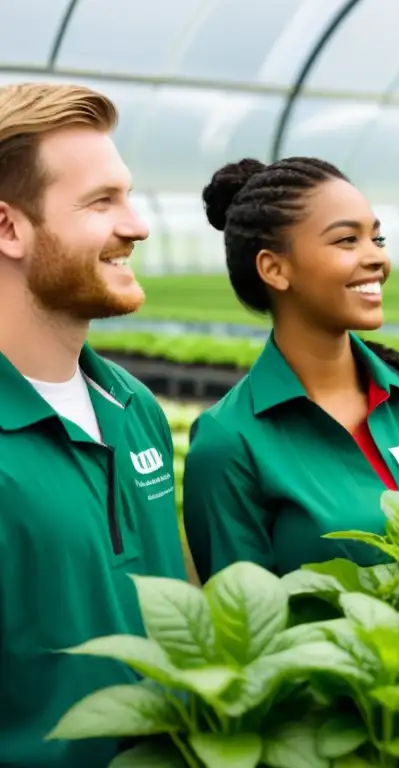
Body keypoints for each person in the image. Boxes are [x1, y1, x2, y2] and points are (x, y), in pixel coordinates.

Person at [0, 83, 186, 768]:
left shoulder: (133, 409)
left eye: (128, 196)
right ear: (8, 228)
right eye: (101, 202)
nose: (136, 225)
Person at [182, 157, 399, 581]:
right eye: (347, 240)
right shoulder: (228, 442)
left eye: (377, 238)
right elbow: (245, 626)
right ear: (274, 268)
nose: (376, 257)